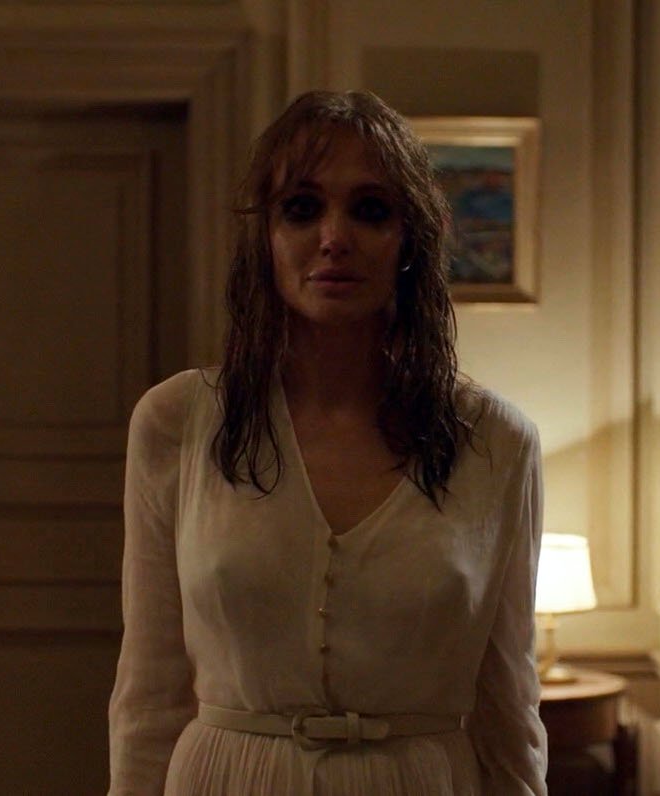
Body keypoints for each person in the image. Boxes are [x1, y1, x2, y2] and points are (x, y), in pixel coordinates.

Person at [106, 91, 547, 795]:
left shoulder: (495, 442)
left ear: (410, 239)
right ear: (266, 235)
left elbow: (508, 707)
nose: (334, 237)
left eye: (369, 210)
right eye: (302, 208)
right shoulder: (177, 422)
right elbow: (148, 694)